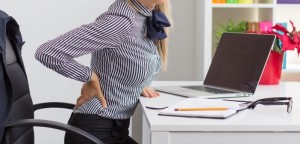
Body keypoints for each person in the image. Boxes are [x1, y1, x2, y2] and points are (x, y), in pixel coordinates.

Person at [35, 0, 172, 143]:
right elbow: (47, 52)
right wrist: (90, 77)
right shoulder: (120, 22)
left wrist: (138, 85)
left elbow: (122, 62)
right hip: (94, 133)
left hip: (116, 131)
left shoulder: (145, 17)